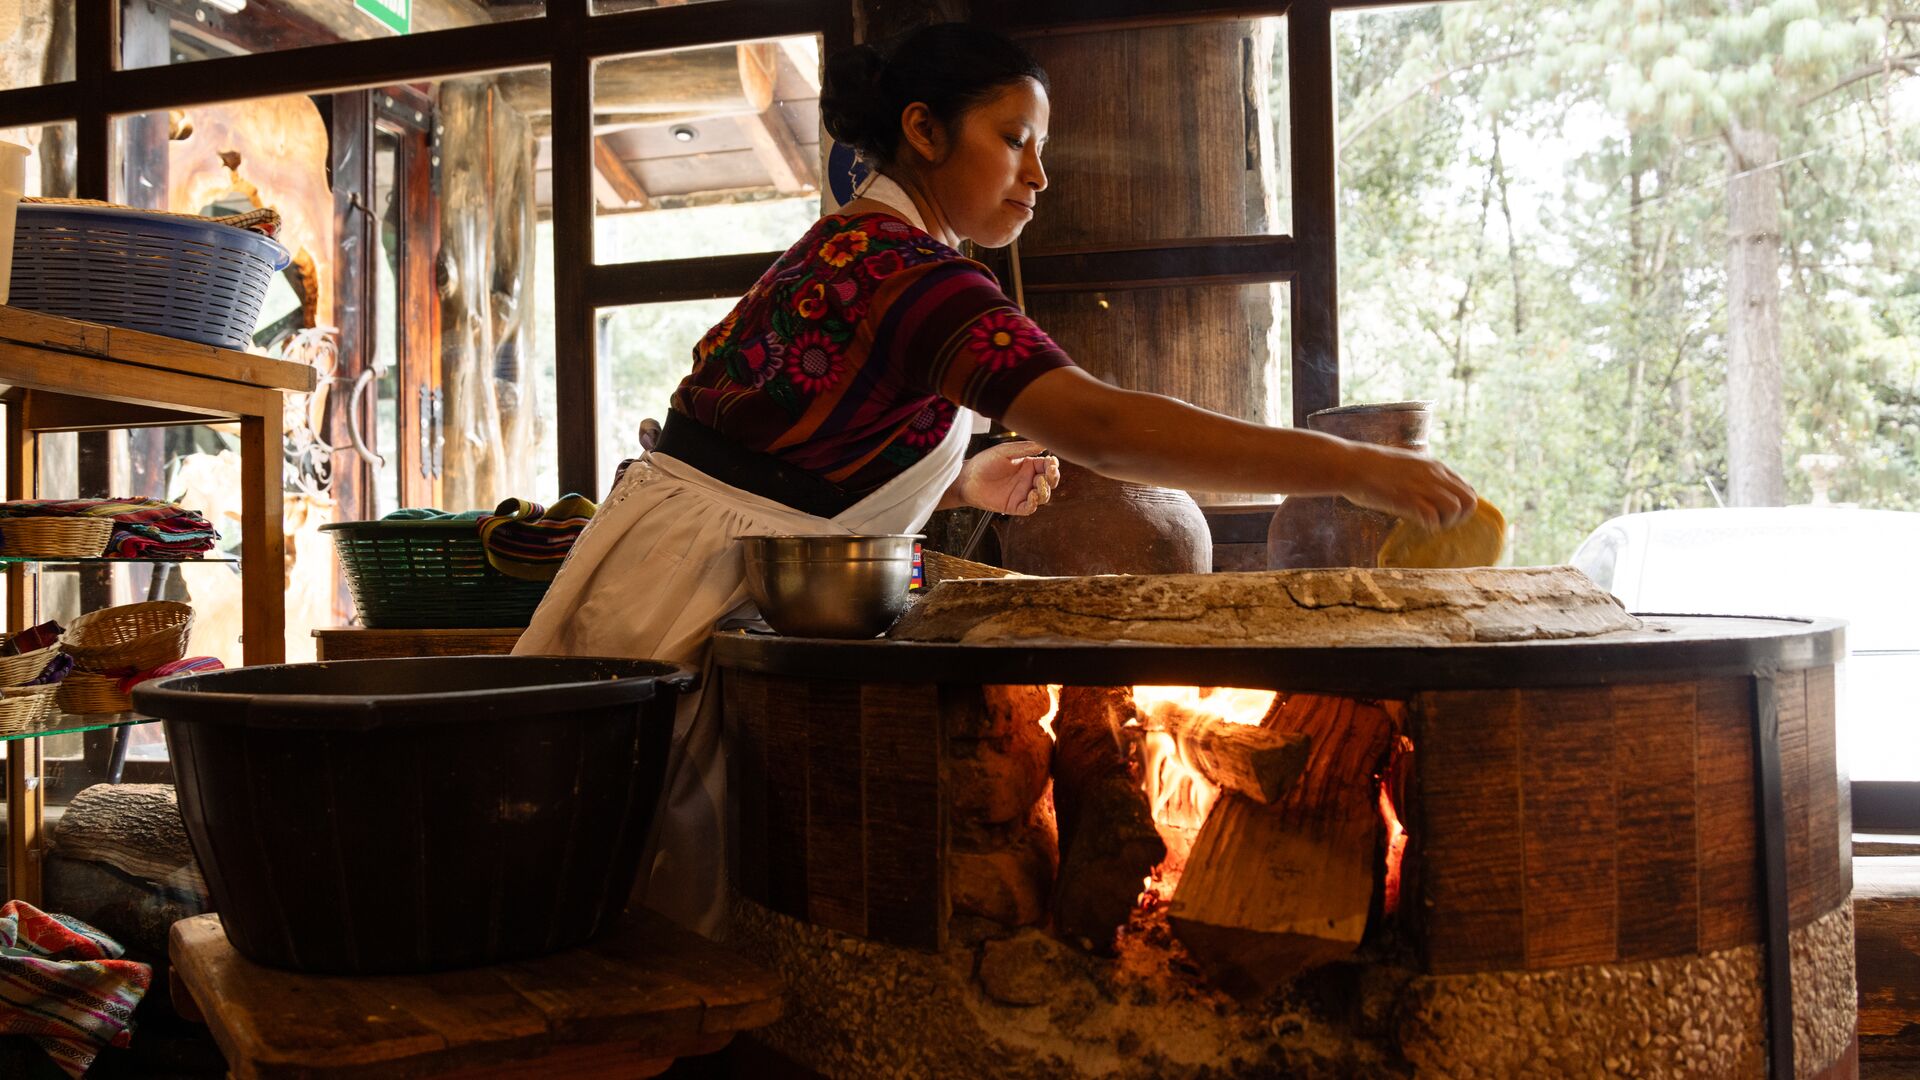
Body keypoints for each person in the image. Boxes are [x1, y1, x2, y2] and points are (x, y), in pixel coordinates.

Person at [515, 23, 1479, 936]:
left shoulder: (850, 248)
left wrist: (960, 484)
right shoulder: (914, 278)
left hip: (657, 582)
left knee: (585, 888)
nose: (1039, 173)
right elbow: (1102, 425)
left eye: (1040, 144)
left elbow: (782, 468)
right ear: (923, 131)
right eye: (1013, 139)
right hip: (676, 612)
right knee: (635, 914)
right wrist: (1355, 468)